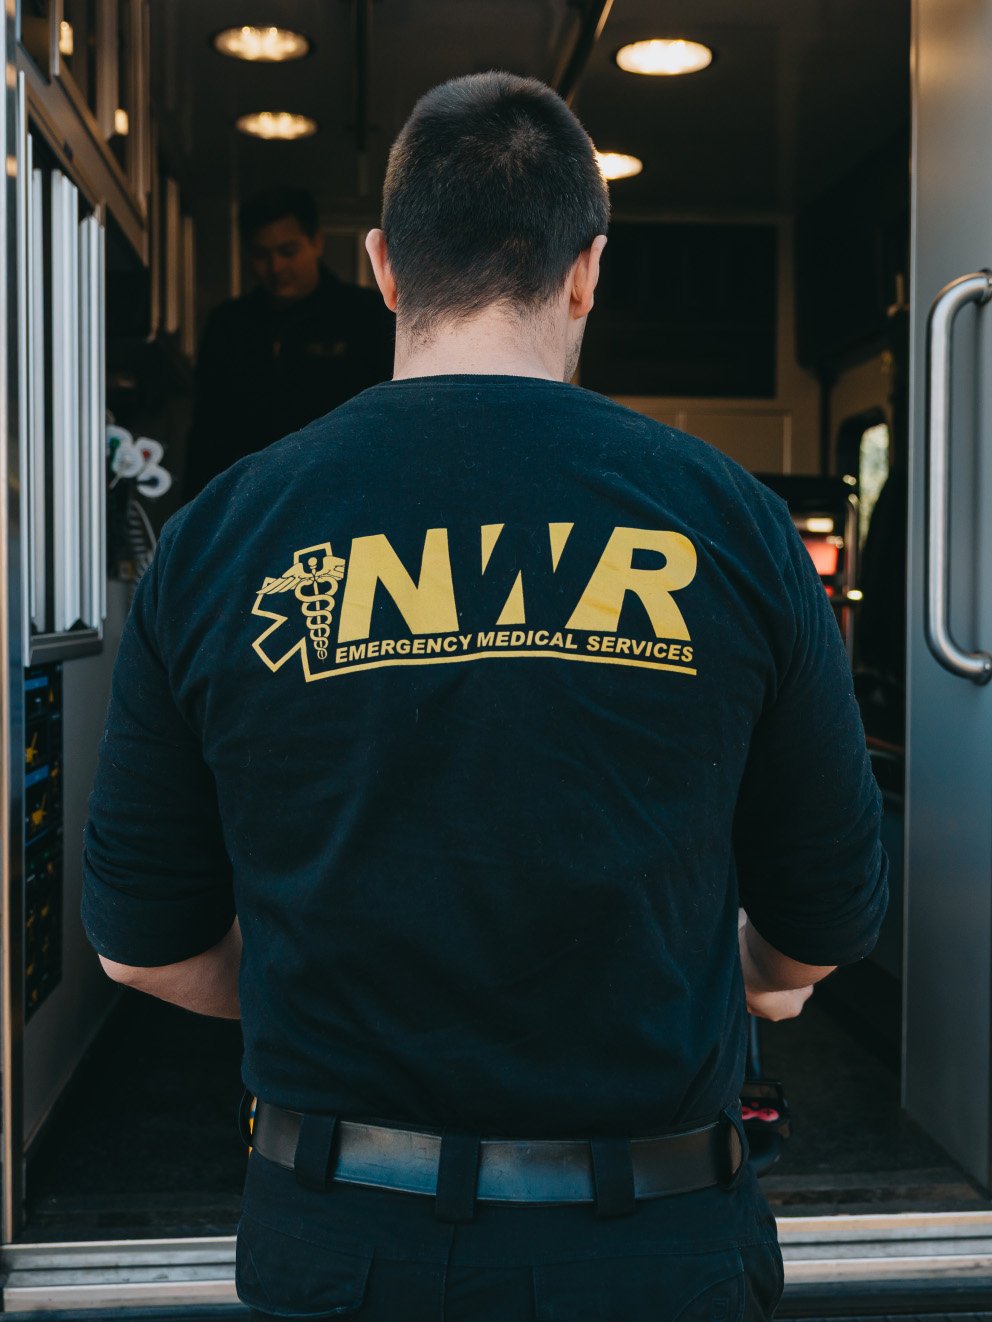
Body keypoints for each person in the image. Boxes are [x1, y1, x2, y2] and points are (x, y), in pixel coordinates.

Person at [81, 71, 887, 1320]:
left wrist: (317, 977)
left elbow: (141, 944)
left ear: (381, 267)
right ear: (586, 272)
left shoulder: (221, 536)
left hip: (342, 1243)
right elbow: (821, 914)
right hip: (651, 1243)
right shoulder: (730, 522)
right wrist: (736, 967)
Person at [183, 185, 394, 500]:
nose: (276, 267)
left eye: (288, 251)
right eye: (261, 255)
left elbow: (386, 419)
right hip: (248, 502)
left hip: (341, 495)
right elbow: (206, 435)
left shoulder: (365, 316)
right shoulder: (228, 326)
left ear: (316, 242)